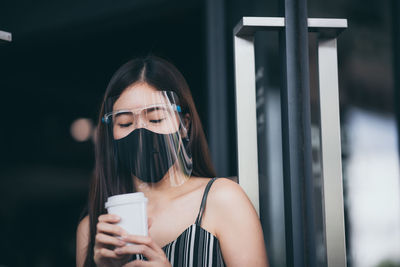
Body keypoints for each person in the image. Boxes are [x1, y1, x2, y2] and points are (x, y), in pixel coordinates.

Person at [76, 55, 269, 267]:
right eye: (125, 123)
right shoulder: (93, 229)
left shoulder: (223, 199)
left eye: (156, 119)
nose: (140, 132)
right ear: (110, 133)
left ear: (184, 125)